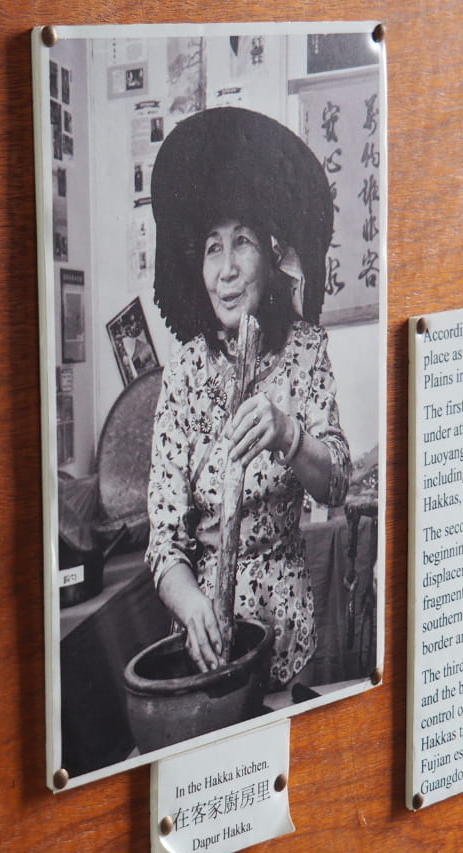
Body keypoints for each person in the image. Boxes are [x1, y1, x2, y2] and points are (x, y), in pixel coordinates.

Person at [145, 106, 351, 689]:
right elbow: (164, 538)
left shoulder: (306, 351)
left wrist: (289, 434)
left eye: (242, 243)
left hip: (285, 627)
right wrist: (193, 610)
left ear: (270, 254)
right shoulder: (182, 375)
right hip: (205, 638)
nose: (227, 268)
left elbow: (335, 484)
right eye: (213, 248)